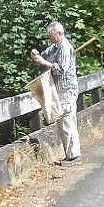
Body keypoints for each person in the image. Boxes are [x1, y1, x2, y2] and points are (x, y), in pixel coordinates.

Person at [30, 21, 81, 166]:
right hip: (58, 89)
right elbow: (43, 56)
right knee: (62, 122)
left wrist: (43, 62)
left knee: (67, 121)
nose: (50, 38)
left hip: (67, 89)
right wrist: (36, 55)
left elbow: (61, 69)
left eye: (51, 35)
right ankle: (70, 155)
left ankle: (74, 156)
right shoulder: (54, 47)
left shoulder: (65, 47)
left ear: (59, 34)